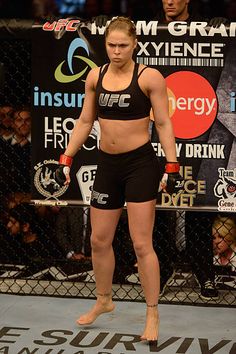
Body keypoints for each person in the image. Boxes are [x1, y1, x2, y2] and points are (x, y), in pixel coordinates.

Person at [55, 16, 183, 341]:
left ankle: (152, 313)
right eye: (111, 45)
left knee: (142, 244)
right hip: (107, 166)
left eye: (122, 45)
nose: (116, 51)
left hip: (140, 165)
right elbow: (85, 120)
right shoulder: (95, 76)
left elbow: (164, 123)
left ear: (134, 43)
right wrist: (67, 157)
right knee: (99, 240)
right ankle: (104, 299)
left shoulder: (149, 77)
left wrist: (172, 164)